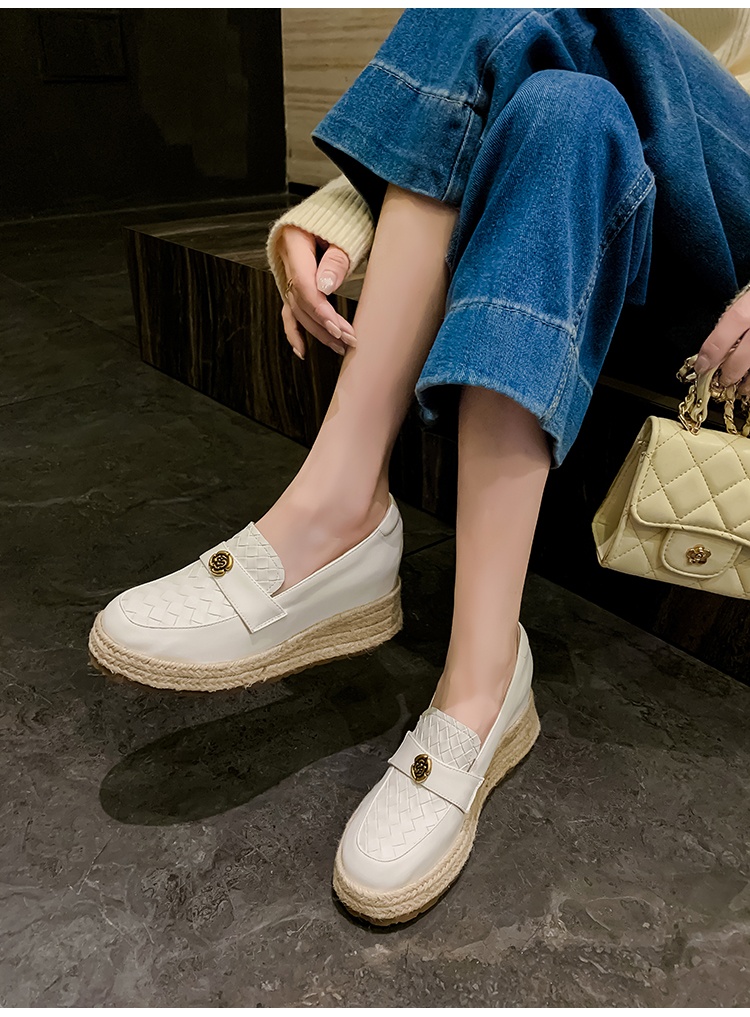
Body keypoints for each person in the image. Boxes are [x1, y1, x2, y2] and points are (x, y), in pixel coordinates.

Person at [89, 9, 750, 926]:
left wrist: (367, 183)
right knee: (565, 110)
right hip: (643, 190)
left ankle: (339, 507)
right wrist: (353, 208)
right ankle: (483, 677)